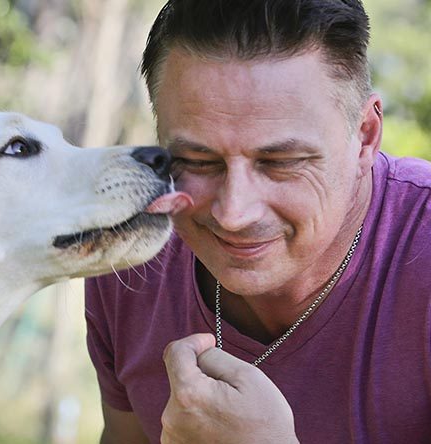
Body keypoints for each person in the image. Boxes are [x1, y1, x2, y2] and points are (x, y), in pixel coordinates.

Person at [85, 0, 431, 443]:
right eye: (197, 160)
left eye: (281, 162)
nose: (233, 214)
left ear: (365, 136)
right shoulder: (135, 253)